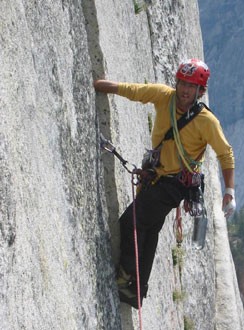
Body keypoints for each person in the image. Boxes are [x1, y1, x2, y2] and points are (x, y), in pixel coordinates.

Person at [94, 58, 236, 308]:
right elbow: (136, 91)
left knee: (131, 222)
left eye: (191, 86)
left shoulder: (206, 122)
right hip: (156, 176)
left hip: (175, 184)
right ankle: (137, 290)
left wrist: (230, 191)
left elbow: (225, 153)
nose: (184, 89)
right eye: (182, 83)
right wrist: (102, 86)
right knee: (149, 230)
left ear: (200, 91)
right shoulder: (164, 97)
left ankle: (126, 275)